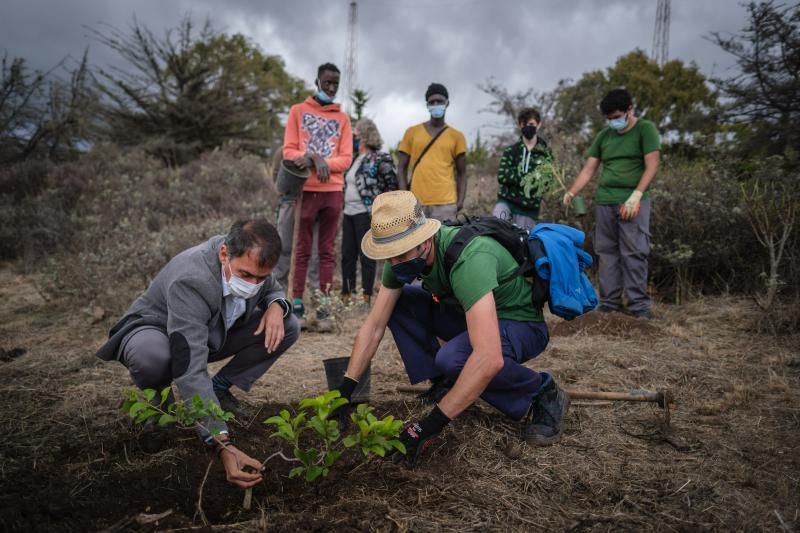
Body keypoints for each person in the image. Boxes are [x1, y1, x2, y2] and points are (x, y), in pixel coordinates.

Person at [333, 191, 570, 464]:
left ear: (423, 240)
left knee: (455, 358)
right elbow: (374, 325)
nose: (394, 263)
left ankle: (542, 392)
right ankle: (446, 382)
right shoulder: (401, 259)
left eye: (400, 254)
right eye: (389, 256)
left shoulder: (470, 259)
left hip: (521, 323)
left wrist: (429, 425)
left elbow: (488, 357)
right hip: (472, 315)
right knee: (401, 303)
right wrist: (344, 392)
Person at [96, 219, 300, 488]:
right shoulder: (192, 279)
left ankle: (219, 388)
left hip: (213, 331)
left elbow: (271, 286)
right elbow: (189, 360)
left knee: (288, 325)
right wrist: (220, 442)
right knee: (155, 359)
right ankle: (158, 406)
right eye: (246, 276)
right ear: (224, 254)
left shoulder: (252, 263)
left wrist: (276, 304)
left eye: (260, 278)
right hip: (154, 330)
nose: (253, 284)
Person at [563, 88, 661, 319]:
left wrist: (636, 195)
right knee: (606, 253)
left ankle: (638, 306)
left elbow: (652, 165)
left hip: (632, 202)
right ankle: (609, 303)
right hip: (605, 202)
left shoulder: (645, 130)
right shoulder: (604, 137)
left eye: (616, 118)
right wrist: (571, 191)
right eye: (609, 119)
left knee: (634, 252)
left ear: (629, 110)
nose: (613, 123)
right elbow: (589, 169)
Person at [283, 63, 353, 332]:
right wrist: (312, 158)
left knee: (325, 252)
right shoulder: (298, 112)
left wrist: (324, 162)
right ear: (317, 82)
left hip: (333, 191)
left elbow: (345, 159)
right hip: (306, 190)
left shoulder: (343, 119)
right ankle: (297, 308)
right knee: (302, 250)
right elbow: (289, 150)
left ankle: (323, 310)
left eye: (335, 83)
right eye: (327, 83)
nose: (331, 88)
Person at [341, 118, 398, 304]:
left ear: (365, 136)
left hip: (366, 213)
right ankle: (347, 293)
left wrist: (382, 208)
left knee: (366, 254)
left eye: (356, 133)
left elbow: (392, 184)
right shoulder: (353, 159)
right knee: (347, 255)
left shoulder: (380, 158)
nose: (353, 137)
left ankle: (366, 295)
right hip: (348, 212)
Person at [396, 83, 467, 221]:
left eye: (439, 101)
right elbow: (401, 167)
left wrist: (460, 202)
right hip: (416, 204)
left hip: (446, 204)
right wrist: (405, 198)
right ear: (427, 105)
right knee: (416, 242)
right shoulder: (412, 132)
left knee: (444, 242)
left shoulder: (457, 136)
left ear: (447, 103)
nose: (435, 104)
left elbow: (462, 172)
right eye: (432, 102)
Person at [271, 145, 320, 302]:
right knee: (283, 250)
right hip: (289, 203)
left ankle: (316, 298)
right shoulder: (284, 151)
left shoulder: (319, 151)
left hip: (313, 203)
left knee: (314, 253)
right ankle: (280, 299)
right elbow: (277, 179)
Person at [494, 107, 555, 231]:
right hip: (506, 202)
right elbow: (502, 176)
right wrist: (529, 179)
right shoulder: (511, 151)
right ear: (519, 125)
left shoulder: (545, 154)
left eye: (531, 124)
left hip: (529, 209)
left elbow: (546, 182)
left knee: (520, 243)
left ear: (539, 125)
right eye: (524, 124)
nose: (527, 127)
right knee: (496, 232)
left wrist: (518, 177)